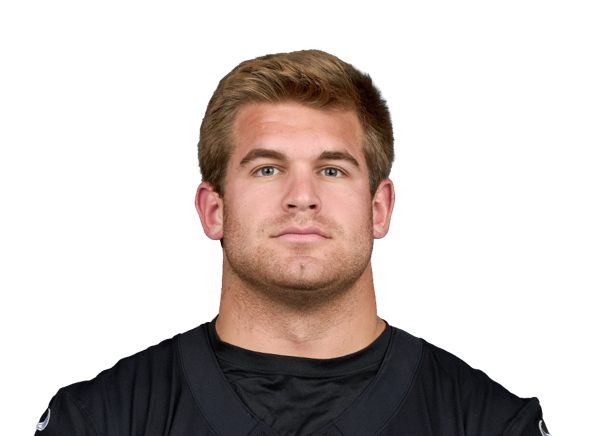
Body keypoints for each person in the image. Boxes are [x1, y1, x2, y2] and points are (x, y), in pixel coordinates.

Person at [34, 50, 550, 436]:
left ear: (380, 209)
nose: (302, 197)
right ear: (213, 210)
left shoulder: (492, 423)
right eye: (267, 168)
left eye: (332, 169)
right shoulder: (99, 420)